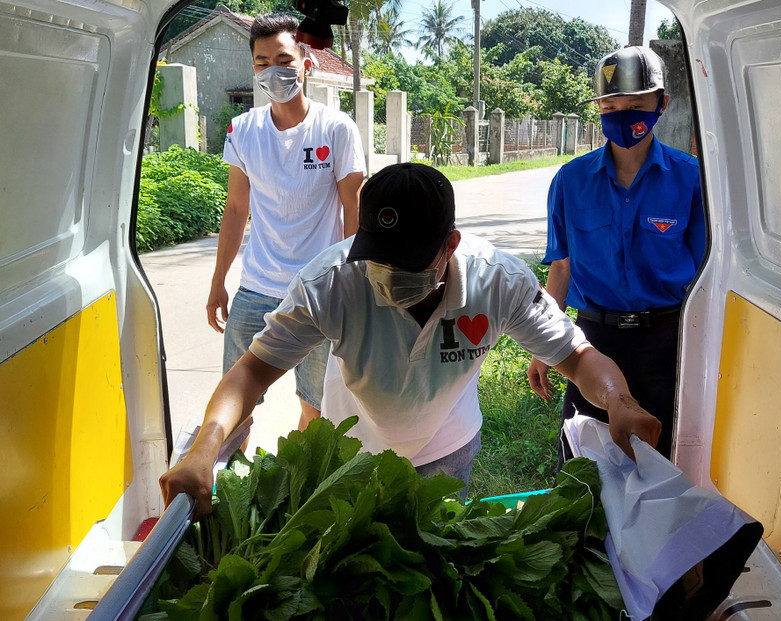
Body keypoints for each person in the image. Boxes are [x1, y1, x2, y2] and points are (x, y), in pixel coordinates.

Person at [161, 163, 662, 516]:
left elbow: (577, 356)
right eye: (381, 258)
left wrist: (618, 401)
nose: (391, 275)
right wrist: (205, 448)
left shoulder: (497, 282)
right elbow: (252, 371)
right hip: (352, 448)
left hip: (448, 444)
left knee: (435, 563)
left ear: (451, 244)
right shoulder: (330, 283)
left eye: (411, 261)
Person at [527, 46, 705, 463]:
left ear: (661, 104)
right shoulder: (571, 181)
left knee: (665, 463)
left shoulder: (691, 180)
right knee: (583, 467)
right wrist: (544, 344)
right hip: (593, 342)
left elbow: (703, 276)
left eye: (637, 104)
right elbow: (562, 268)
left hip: (666, 343)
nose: (623, 114)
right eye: (611, 104)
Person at [208, 12, 366, 433]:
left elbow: (354, 210)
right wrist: (217, 281)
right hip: (255, 291)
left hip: (319, 293)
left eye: (282, 59)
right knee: (234, 405)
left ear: (305, 63)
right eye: (261, 62)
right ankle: (227, 488)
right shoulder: (242, 130)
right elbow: (236, 209)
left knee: (315, 409)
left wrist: (353, 284)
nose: (272, 70)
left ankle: (295, 493)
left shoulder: (336, 128)